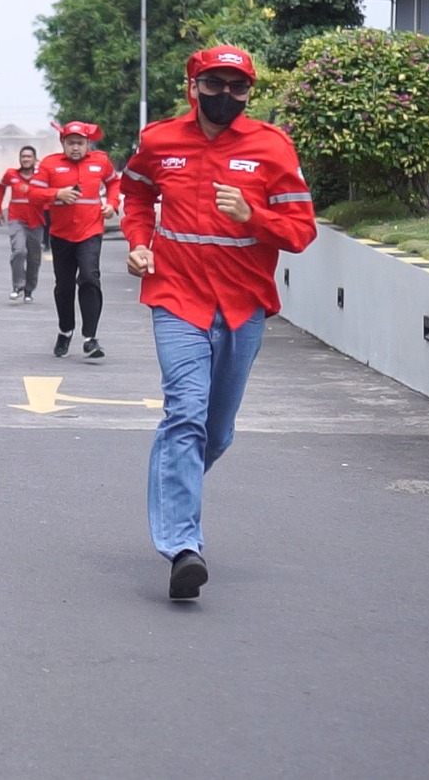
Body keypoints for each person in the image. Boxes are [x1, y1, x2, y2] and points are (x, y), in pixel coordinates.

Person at [120, 45, 317, 600]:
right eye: (214, 85)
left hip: (242, 304)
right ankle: (184, 546)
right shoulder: (160, 140)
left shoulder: (272, 147)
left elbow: (301, 232)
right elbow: (134, 193)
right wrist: (138, 244)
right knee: (185, 414)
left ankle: (172, 495)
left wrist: (251, 215)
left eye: (238, 87)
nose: (225, 96)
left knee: (217, 431)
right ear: (193, 86)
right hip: (176, 297)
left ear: (250, 91)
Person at [28, 121, 120, 358]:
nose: (76, 148)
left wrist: (112, 204)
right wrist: (56, 193)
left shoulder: (100, 162)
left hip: (91, 232)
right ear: (62, 143)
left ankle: (90, 338)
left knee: (90, 277)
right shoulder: (50, 164)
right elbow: (33, 193)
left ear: (88, 144)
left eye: (80, 143)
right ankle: (65, 330)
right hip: (61, 234)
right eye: (71, 143)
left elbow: (114, 182)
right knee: (64, 286)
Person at [0, 145, 44, 303]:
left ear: (35, 159)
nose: (26, 159)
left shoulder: (41, 176)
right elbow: (1, 188)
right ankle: (17, 286)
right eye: (23, 157)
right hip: (16, 220)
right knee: (19, 251)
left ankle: (29, 290)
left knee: (34, 258)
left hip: (36, 221)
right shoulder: (11, 174)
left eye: (29, 157)